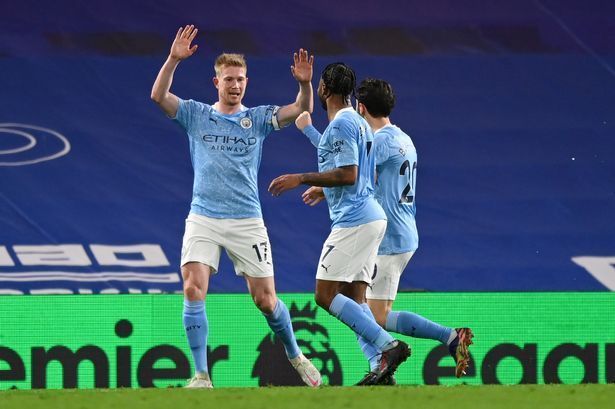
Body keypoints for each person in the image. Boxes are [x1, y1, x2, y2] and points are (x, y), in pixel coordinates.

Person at [150, 24, 321, 388]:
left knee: (265, 300)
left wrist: (305, 84)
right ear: (217, 83)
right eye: (229, 79)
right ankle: (201, 375)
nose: (235, 85)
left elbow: (300, 109)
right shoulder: (196, 114)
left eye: (240, 79)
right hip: (203, 217)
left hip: (246, 220)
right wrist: (173, 59)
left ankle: (295, 354)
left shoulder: (258, 118)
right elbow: (158, 96)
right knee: (193, 288)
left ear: (246, 82)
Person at [301, 78, 474, 385]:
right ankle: (436, 343)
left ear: (361, 107)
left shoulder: (378, 141)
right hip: (403, 232)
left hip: (386, 237)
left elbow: (348, 163)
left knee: (355, 306)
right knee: (371, 310)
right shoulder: (404, 139)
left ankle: (404, 353)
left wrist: (307, 131)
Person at [268, 63, 410, 385]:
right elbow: (345, 164)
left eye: (318, 84)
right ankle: (381, 368)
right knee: (355, 300)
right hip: (369, 216)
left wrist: (301, 178)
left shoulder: (344, 124)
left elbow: (348, 173)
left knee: (324, 294)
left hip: (354, 221)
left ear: (324, 89)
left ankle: (389, 346)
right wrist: (309, 138)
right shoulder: (356, 122)